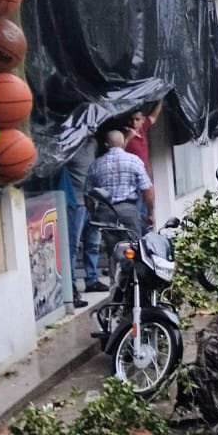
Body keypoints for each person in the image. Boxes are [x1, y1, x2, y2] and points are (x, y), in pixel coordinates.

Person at [82, 130, 153, 293]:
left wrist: (93, 214)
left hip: (106, 212)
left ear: (106, 144)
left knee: (113, 250)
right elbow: (147, 189)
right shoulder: (134, 161)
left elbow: (88, 195)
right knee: (134, 247)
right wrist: (150, 213)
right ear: (123, 143)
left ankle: (116, 286)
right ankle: (135, 285)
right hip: (129, 209)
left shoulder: (96, 164)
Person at [61, 133, 97, 308]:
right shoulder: (68, 148)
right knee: (72, 247)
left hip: (91, 201)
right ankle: (71, 288)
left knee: (93, 243)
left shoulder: (93, 143)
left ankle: (92, 279)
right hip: (75, 203)